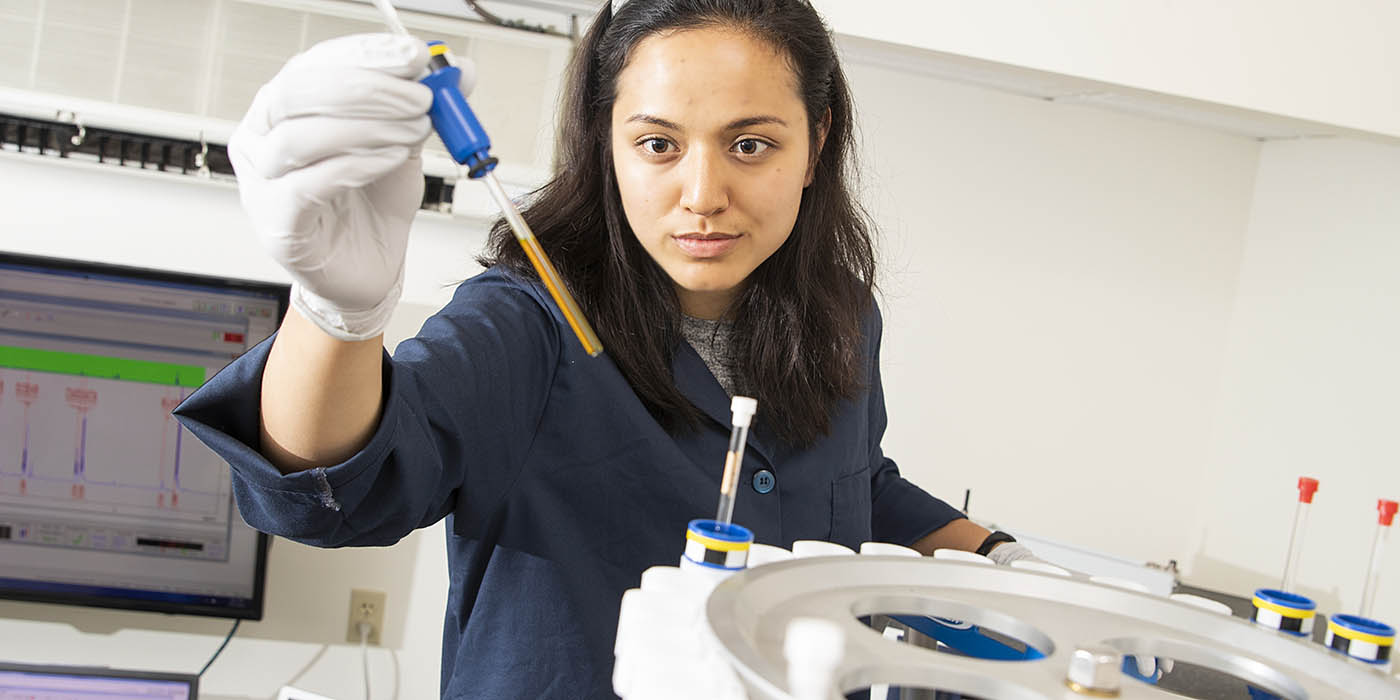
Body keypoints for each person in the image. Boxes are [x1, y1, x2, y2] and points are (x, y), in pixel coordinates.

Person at [174, 0, 1035, 697]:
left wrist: (1008, 564)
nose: (704, 195)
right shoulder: (529, 325)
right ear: (607, 143)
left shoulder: (840, 312)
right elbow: (333, 493)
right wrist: (334, 315)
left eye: (750, 144)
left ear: (815, 142)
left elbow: (854, 481)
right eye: (658, 144)